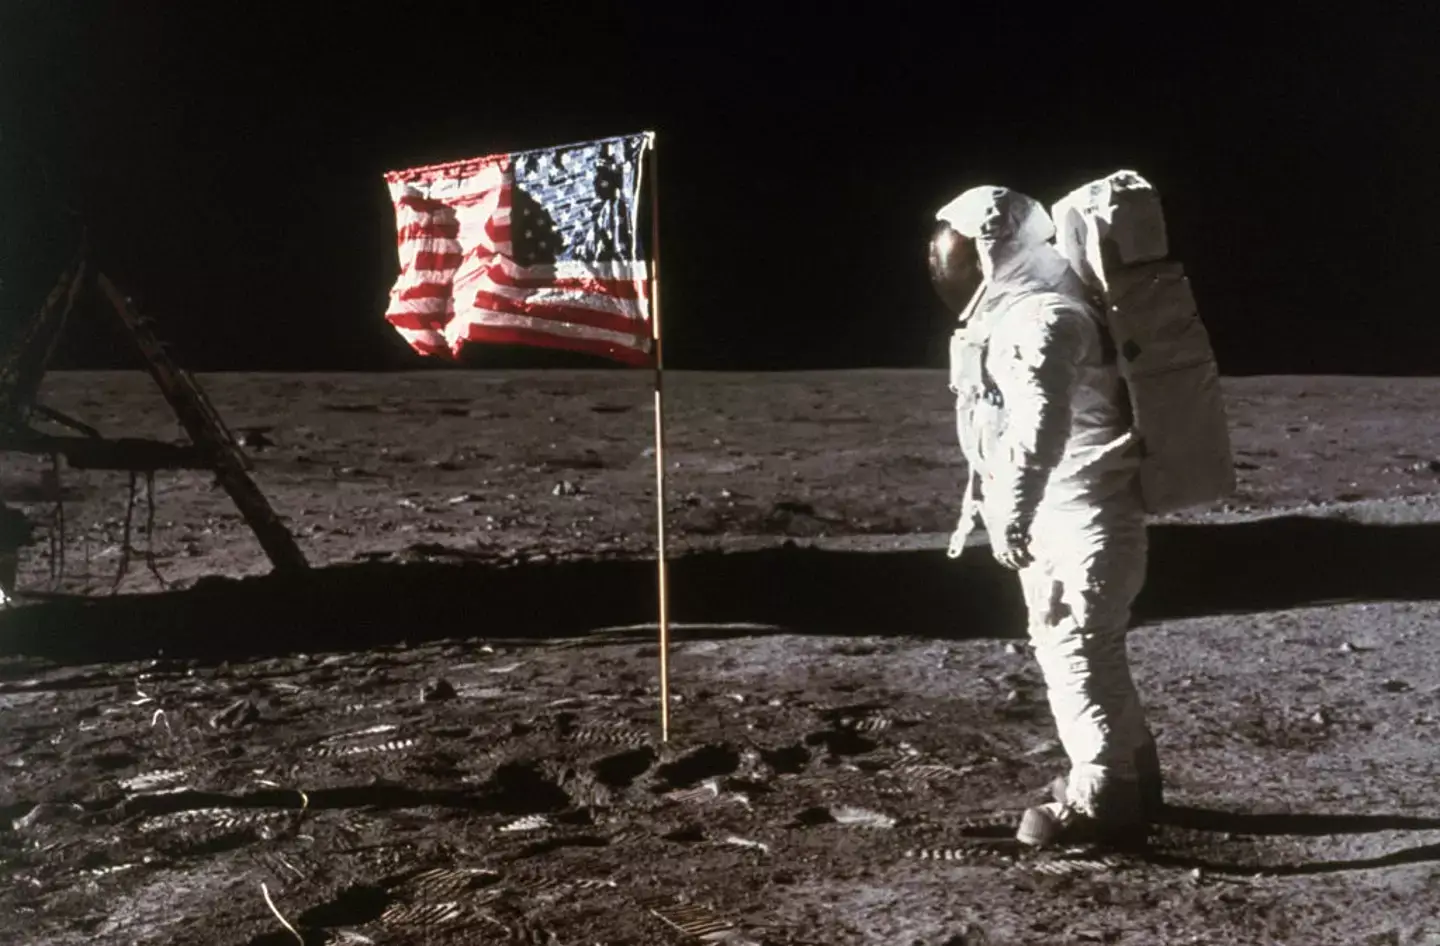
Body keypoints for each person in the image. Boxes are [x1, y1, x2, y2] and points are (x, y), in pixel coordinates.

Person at [929, 185, 1161, 850]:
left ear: (994, 255)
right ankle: (1135, 778)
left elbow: (1039, 426)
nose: (946, 271)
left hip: (1083, 517)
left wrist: (1014, 510)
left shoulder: (1043, 321)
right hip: (1077, 512)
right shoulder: (1034, 313)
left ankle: (1103, 800)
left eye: (958, 258)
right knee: (1089, 648)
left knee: (1076, 651)